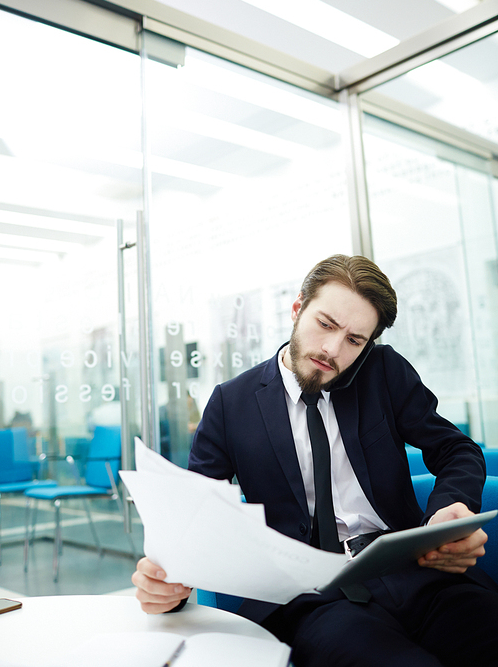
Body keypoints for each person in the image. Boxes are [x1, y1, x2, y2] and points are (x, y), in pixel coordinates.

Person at [133, 255, 498, 666]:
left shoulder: (383, 372)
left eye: (354, 340)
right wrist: (166, 584)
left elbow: (457, 450)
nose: (332, 349)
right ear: (298, 307)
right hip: (310, 598)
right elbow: (195, 516)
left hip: (415, 573)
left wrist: (450, 508)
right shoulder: (230, 403)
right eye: (325, 324)